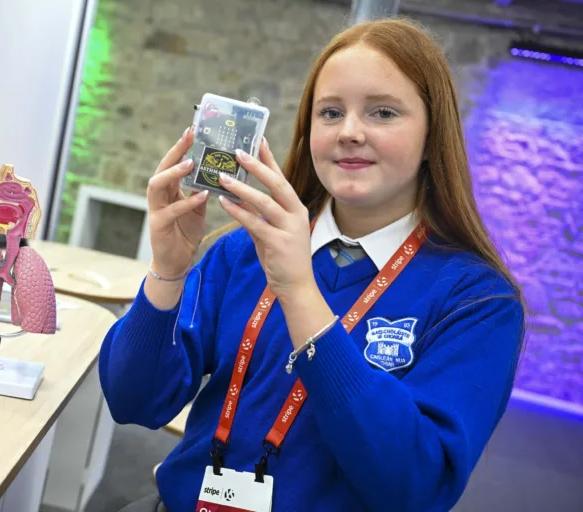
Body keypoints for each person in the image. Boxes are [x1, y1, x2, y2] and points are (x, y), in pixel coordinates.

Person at [100, 17, 525, 512]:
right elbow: (132, 401)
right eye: (330, 112)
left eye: (383, 113)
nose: (349, 133)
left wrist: (300, 292)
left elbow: (414, 487)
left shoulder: (477, 302)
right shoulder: (240, 253)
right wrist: (167, 271)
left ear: (434, 136)